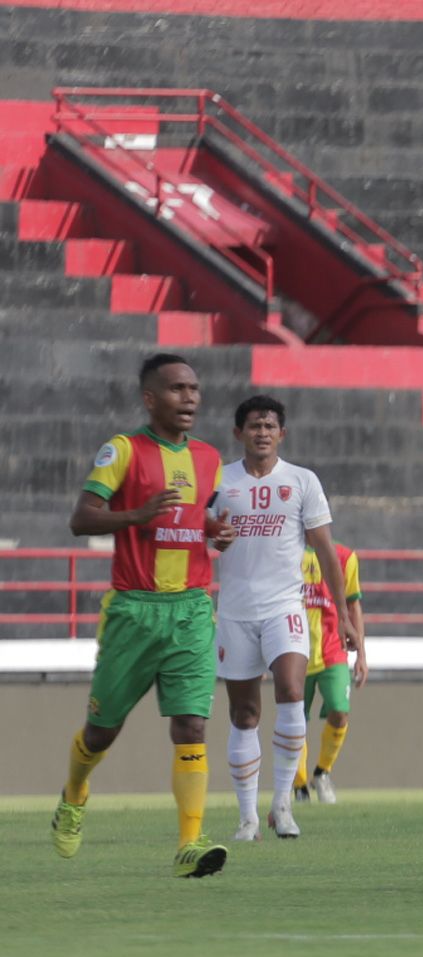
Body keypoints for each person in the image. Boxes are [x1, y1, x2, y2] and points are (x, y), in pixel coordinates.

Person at [52, 353, 238, 878]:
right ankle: (74, 794)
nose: (190, 399)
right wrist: (135, 515)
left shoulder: (208, 458)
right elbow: (80, 518)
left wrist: (212, 531)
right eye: (178, 389)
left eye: (195, 389)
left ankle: (190, 843)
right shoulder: (123, 450)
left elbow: (197, 516)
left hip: (193, 608)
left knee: (191, 725)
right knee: (101, 731)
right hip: (135, 608)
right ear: (150, 398)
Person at [211, 395, 350, 842]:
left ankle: (284, 804)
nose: (263, 432)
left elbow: (327, 552)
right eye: (254, 425)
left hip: (284, 607)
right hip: (235, 612)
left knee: (291, 690)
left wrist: (343, 614)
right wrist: (214, 538)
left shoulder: (303, 481)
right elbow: (199, 541)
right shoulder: (220, 482)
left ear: (282, 434)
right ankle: (248, 817)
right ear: (239, 433)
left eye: (270, 425)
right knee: (245, 713)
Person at [292, 539, 367, 804]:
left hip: (332, 650)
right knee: (294, 721)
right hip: (294, 650)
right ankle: (299, 785)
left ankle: (322, 773)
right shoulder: (286, 550)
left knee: (340, 710)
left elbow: (354, 605)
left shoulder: (345, 556)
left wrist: (361, 656)